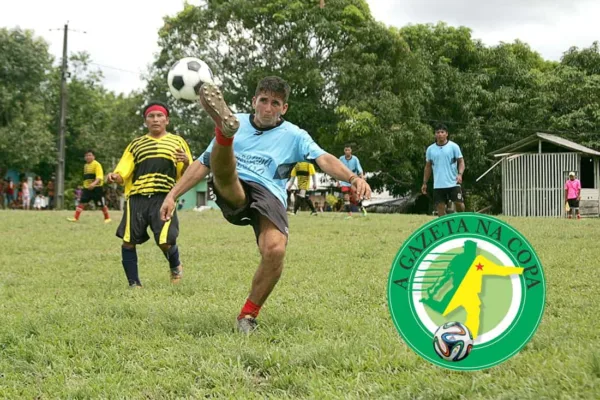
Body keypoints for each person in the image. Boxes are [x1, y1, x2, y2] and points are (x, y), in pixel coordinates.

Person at [160, 76, 371, 334]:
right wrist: (172, 194)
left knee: (275, 251)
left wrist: (352, 177)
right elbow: (201, 164)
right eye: (263, 101)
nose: (268, 108)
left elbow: (323, 158)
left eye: (275, 103)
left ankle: (247, 316)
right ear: (253, 101)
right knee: (225, 174)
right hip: (236, 181)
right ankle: (223, 135)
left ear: (284, 108)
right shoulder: (238, 120)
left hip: (269, 192)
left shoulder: (295, 135)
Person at [106, 101, 192, 288]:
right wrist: (115, 176)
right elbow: (124, 170)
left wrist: (186, 162)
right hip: (137, 198)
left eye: (159, 116)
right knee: (128, 241)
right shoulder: (136, 144)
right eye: (151, 116)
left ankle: (175, 266)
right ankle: (134, 284)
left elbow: (187, 176)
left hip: (164, 198)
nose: (155, 119)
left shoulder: (177, 142)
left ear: (166, 120)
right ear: (146, 121)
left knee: (164, 241)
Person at [421, 124, 465, 217]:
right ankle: (445, 228)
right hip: (438, 184)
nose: (440, 134)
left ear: (446, 134)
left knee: (459, 204)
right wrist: (424, 182)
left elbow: (461, 162)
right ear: (435, 135)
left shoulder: (454, 147)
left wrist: (460, 174)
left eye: (442, 132)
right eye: (438, 132)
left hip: (453, 182)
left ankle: (463, 220)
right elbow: (428, 167)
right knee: (440, 208)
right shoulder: (430, 149)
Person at [67, 150, 111, 223]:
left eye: (90, 155)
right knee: (82, 202)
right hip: (87, 188)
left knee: (101, 204)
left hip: (97, 188)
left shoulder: (97, 164)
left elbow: (99, 177)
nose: (88, 157)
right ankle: (75, 218)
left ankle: (107, 218)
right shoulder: (86, 165)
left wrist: (93, 184)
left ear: (94, 156)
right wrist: (85, 186)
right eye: (86, 156)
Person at [338, 145, 367, 218]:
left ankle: (362, 208)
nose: (347, 151)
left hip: (353, 181)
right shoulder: (341, 159)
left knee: (356, 199)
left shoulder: (355, 159)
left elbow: (360, 170)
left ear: (351, 151)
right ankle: (349, 214)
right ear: (344, 151)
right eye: (346, 150)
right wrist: (337, 181)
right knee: (346, 198)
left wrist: (362, 178)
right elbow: (337, 170)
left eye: (348, 150)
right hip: (344, 181)